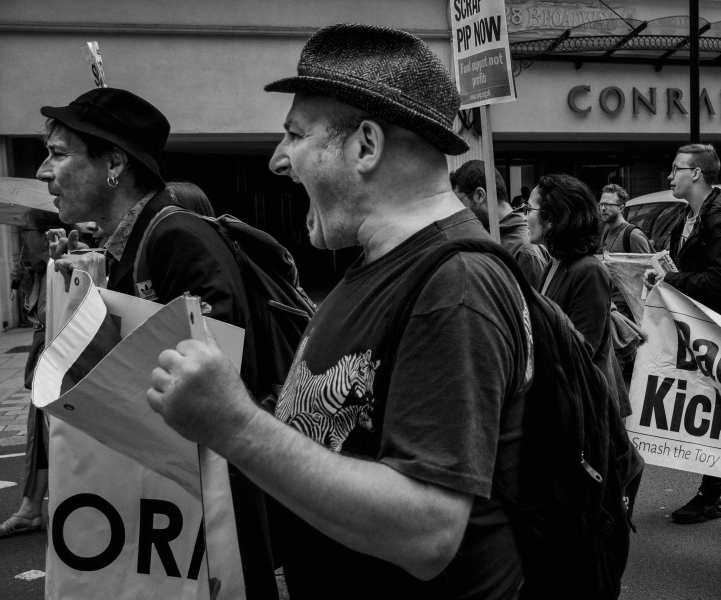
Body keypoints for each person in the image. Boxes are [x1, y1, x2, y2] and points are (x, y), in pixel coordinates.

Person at [146, 24, 532, 598]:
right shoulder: (380, 263)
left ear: (365, 146)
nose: (279, 161)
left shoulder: (455, 286)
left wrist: (235, 424)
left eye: (296, 135)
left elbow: (428, 531)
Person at [37, 87, 277, 598]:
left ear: (114, 165)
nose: (43, 171)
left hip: (211, 510)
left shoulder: (174, 238)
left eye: (58, 154)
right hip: (173, 502)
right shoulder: (134, 243)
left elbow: (218, 377)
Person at [644, 143, 721, 524]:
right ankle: (717, 488)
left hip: (719, 331)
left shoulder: (720, 222)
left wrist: (671, 279)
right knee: (715, 406)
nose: (670, 176)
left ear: (697, 174)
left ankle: (712, 492)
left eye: (676, 169)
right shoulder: (686, 218)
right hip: (699, 329)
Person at [0, 210, 76, 538]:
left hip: (61, 363)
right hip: (45, 361)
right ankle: (31, 509)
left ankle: (48, 507)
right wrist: (25, 277)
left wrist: (55, 268)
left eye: (25, 229)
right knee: (38, 435)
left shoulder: (64, 264)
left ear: (42, 233)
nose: (21, 236)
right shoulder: (38, 269)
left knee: (54, 436)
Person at [526, 173, 630, 417]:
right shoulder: (555, 263)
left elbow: (581, 352)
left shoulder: (588, 271)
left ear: (552, 219)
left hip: (585, 411)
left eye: (529, 208)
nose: (525, 216)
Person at [450, 159, 550, 287]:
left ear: (479, 195)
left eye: (459, 203)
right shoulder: (486, 236)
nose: (458, 211)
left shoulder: (525, 250)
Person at [598, 183, 652, 254]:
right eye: (601, 204)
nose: (603, 208)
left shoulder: (633, 235)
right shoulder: (607, 233)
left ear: (621, 209)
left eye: (608, 204)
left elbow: (647, 264)